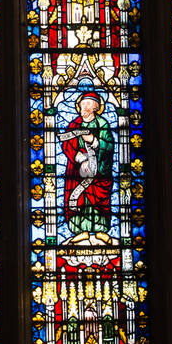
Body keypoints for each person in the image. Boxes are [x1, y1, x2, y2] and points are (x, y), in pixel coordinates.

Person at [60, 93, 114, 242]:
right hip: (77, 170)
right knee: (80, 198)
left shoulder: (102, 124)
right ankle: (80, 230)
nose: (84, 106)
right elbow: (66, 143)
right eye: (83, 103)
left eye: (89, 104)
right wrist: (76, 156)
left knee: (97, 199)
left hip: (98, 171)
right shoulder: (74, 124)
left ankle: (100, 230)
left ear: (96, 107)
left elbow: (109, 146)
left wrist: (95, 141)